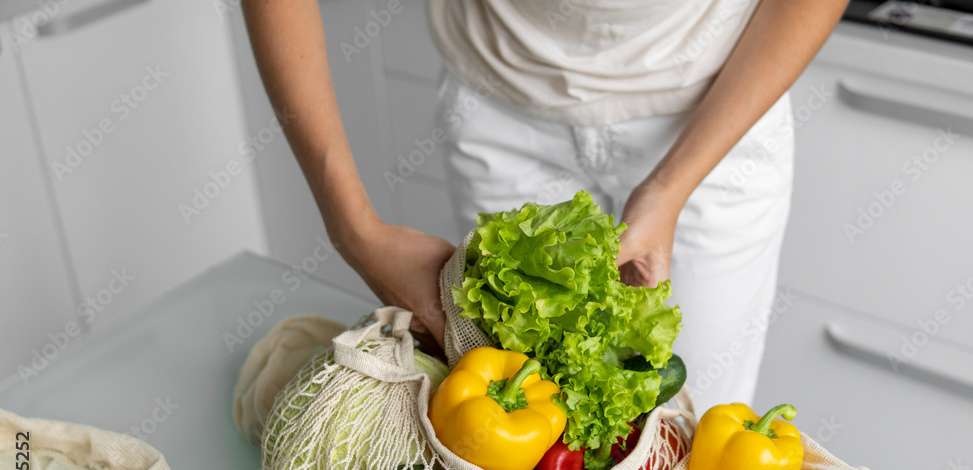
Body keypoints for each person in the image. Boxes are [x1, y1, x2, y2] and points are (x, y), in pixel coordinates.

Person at [240, 0, 848, 410]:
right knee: (524, 420)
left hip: (716, 116)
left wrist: (670, 187)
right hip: (502, 111)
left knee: (704, 424)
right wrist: (353, 230)